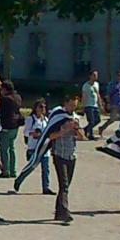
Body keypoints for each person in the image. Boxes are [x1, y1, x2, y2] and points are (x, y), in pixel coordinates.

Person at [51, 94, 85, 224]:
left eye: (75, 105)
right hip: (59, 154)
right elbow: (50, 135)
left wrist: (76, 129)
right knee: (64, 184)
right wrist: (64, 130)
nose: (72, 108)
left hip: (72, 155)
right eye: (71, 104)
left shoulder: (75, 117)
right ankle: (65, 212)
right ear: (65, 103)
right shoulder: (58, 116)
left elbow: (83, 137)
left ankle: (59, 211)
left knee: (66, 186)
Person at [24, 100, 54, 196]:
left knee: (46, 169)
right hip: (34, 147)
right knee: (31, 167)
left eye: (44, 107)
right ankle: (19, 180)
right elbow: (25, 132)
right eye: (40, 107)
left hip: (44, 147)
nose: (42, 109)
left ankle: (46, 187)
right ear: (35, 108)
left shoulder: (46, 120)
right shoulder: (30, 119)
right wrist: (33, 134)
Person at [0, 82, 23, 178]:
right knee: (12, 148)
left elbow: (0, 111)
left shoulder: (5, 99)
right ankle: (13, 170)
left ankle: (5, 170)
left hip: (6, 125)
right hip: (15, 125)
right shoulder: (17, 97)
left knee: (4, 149)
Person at [100, 69, 120, 136]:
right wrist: (108, 103)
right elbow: (108, 94)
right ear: (116, 76)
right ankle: (102, 128)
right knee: (112, 119)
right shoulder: (112, 84)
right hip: (114, 104)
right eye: (119, 75)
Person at [81, 70, 102, 139]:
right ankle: (90, 135)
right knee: (91, 121)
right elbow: (84, 96)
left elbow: (98, 95)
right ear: (90, 76)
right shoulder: (86, 86)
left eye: (96, 75)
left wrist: (100, 104)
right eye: (94, 75)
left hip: (95, 105)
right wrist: (83, 106)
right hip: (88, 105)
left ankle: (85, 129)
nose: (96, 76)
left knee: (98, 120)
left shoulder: (96, 84)